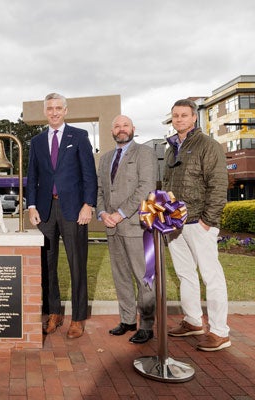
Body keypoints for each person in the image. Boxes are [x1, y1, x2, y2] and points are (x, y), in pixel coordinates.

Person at [27, 92, 97, 338]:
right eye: (50, 109)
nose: (54, 112)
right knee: (46, 265)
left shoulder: (79, 136)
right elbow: (32, 176)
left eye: (58, 108)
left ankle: (77, 318)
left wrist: (88, 204)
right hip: (45, 211)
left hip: (74, 210)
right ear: (45, 112)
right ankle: (53, 312)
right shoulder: (36, 142)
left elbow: (89, 173)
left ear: (65, 110)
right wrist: (32, 206)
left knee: (77, 264)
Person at [162, 99, 231, 351]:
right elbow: (167, 186)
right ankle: (193, 321)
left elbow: (218, 185)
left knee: (211, 277)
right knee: (185, 275)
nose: (179, 119)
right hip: (175, 225)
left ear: (194, 118)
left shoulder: (208, 145)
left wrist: (207, 221)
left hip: (200, 223)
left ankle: (220, 332)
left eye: (184, 115)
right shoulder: (171, 149)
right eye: (175, 116)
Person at [96, 115, 157, 344]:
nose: (121, 129)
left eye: (125, 125)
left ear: (133, 128)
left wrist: (120, 213)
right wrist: (102, 213)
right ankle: (128, 319)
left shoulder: (145, 153)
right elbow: (100, 190)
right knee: (120, 276)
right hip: (112, 228)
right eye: (117, 126)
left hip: (135, 226)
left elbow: (146, 187)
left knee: (144, 277)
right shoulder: (105, 159)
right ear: (112, 131)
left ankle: (147, 325)